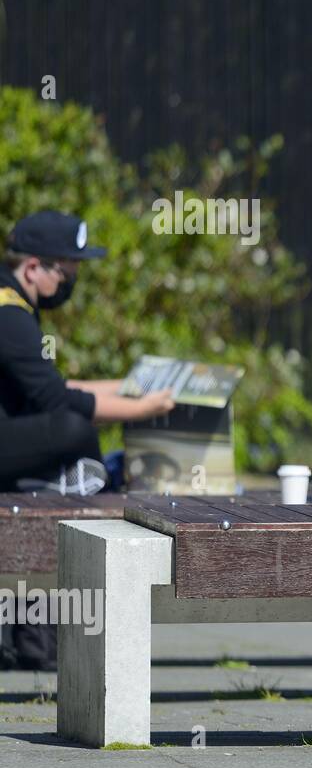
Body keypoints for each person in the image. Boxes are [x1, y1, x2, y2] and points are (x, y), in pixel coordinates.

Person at [0, 211, 174, 671]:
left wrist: (126, 386)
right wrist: (143, 410)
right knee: (75, 432)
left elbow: (51, 386)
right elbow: (55, 401)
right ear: (34, 267)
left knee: (68, 433)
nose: (71, 282)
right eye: (67, 272)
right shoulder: (8, 314)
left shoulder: (11, 303)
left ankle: (84, 484)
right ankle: (91, 488)